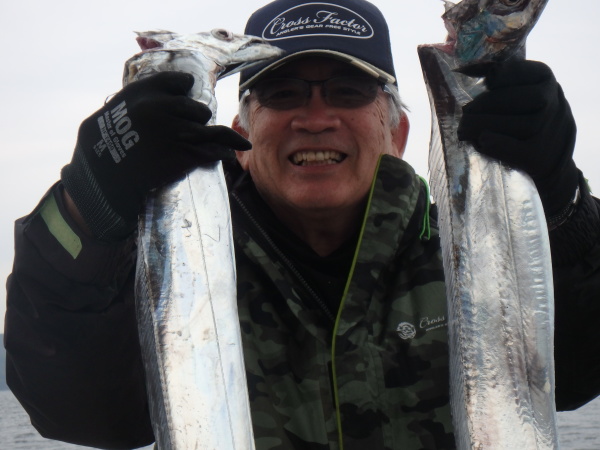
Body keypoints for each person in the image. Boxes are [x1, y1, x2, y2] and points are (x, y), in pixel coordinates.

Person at [5, 0, 600, 448]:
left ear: (397, 132)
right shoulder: (174, 276)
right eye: (283, 93)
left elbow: (579, 372)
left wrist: (560, 203)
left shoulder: (467, 253)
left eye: (348, 91)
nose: (316, 118)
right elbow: (80, 414)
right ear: (239, 137)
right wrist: (90, 204)